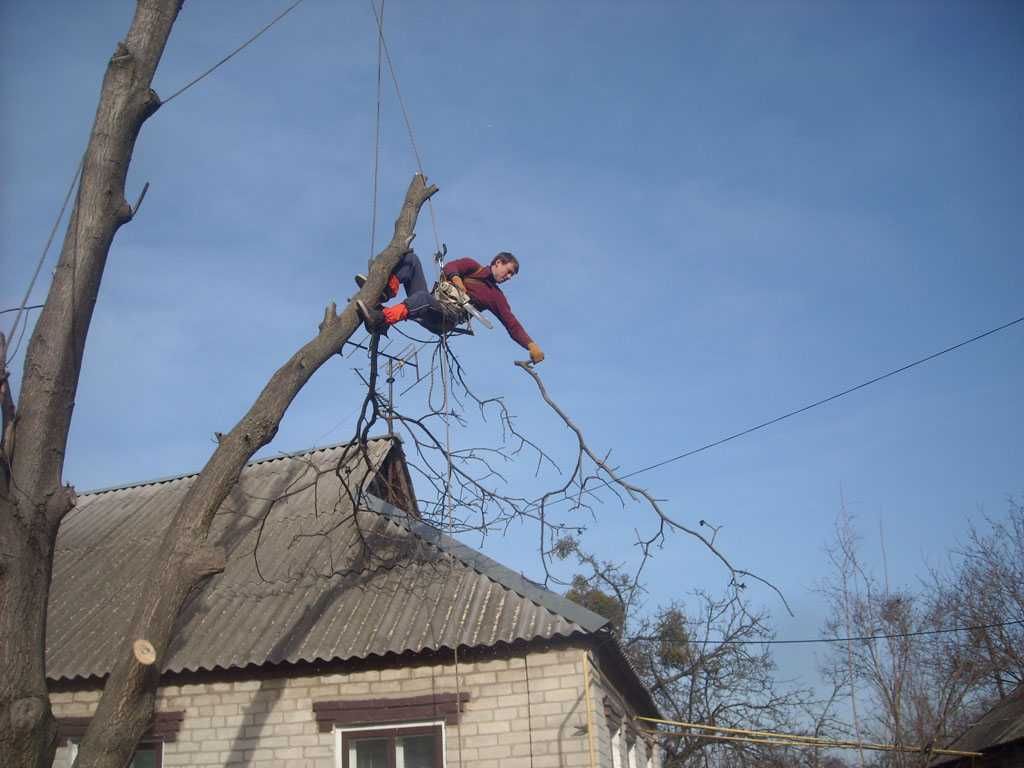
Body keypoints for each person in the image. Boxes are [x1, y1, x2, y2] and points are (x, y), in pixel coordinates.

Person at [356, 250, 544, 364]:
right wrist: (457, 280)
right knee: (411, 260)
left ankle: (381, 320)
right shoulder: (472, 266)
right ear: (498, 262)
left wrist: (531, 345)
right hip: (431, 302)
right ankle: (385, 291)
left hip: (445, 319)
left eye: (512, 275)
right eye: (508, 271)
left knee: (422, 299)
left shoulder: (496, 297)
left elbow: (512, 324)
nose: (508, 277)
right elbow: (450, 267)